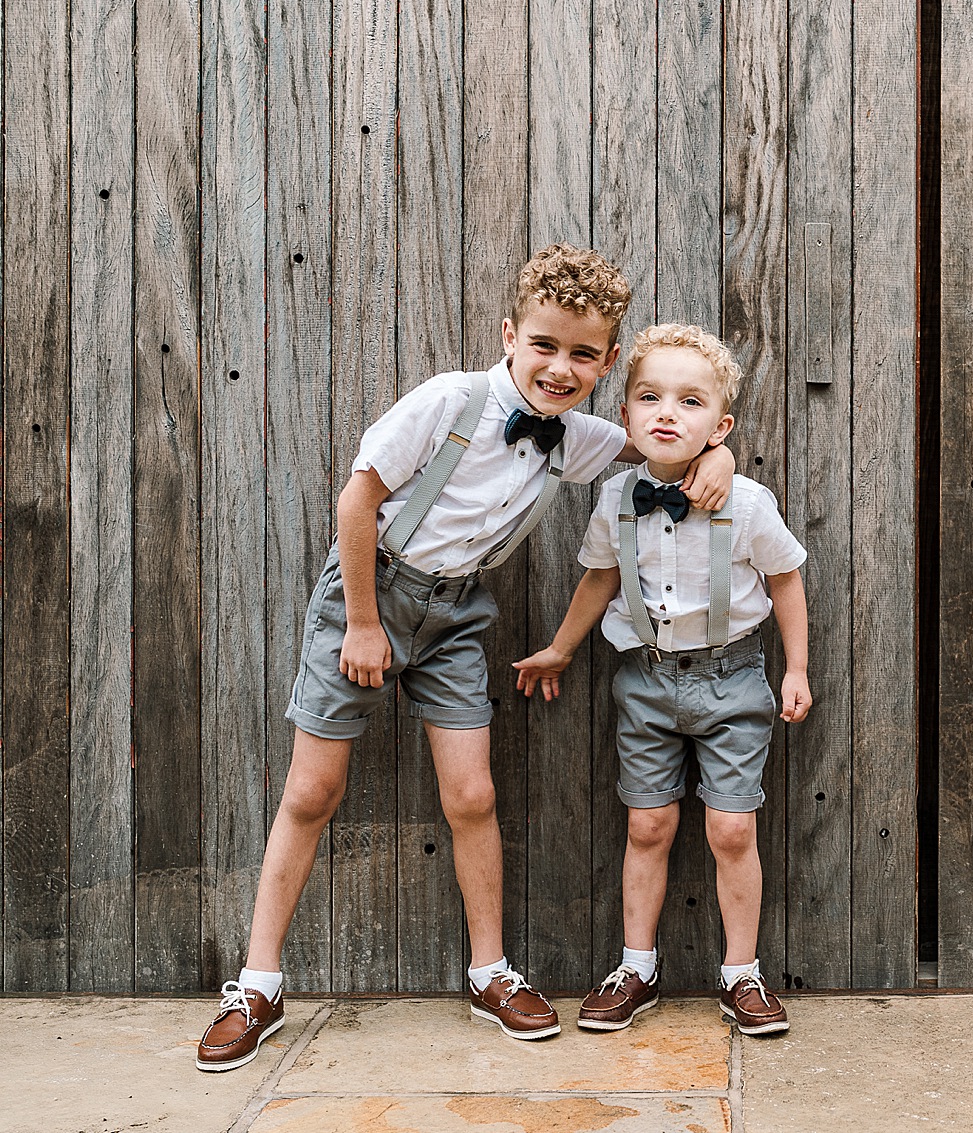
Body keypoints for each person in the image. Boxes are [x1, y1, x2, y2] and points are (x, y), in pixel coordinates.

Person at [194, 246, 734, 1072]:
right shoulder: (452, 400)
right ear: (511, 334)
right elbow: (358, 499)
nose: (560, 368)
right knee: (313, 789)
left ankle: (489, 972)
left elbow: (670, 442)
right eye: (545, 345)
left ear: (608, 362)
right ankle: (258, 983)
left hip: (458, 616)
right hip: (367, 595)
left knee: (473, 791)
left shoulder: (585, 435)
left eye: (584, 355)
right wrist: (365, 625)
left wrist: (721, 458)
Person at [514, 323, 810, 1036]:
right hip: (643, 683)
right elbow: (599, 578)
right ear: (625, 416)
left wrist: (797, 665)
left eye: (689, 401)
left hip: (733, 681)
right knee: (647, 822)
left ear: (721, 424)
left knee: (733, 829)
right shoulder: (617, 495)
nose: (666, 413)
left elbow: (785, 577)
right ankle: (637, 966)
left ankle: (742, 974)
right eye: (649, 397)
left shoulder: (747, 499)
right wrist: (560, 647)